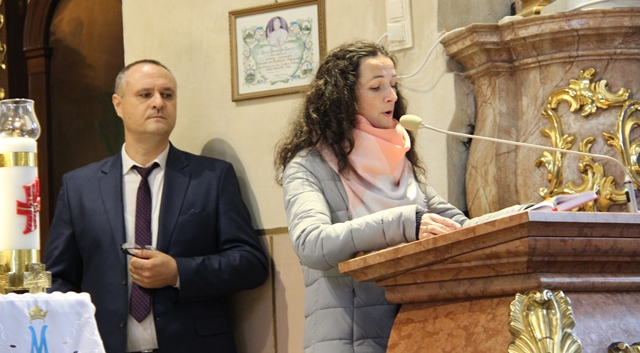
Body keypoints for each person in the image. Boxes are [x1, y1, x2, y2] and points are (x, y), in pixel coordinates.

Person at [274, 41, 530, 353]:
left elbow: (461, 230)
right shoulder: (308, 166)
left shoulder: (399, 161)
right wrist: (405, 223)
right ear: (343, 97)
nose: (392, 96)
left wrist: (528, 214)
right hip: (350, 342)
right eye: (376, 87)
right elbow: (312, 245)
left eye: (393, 84)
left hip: (416, 335)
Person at [44, 59, 269, 353]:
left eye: (167, 95)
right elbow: (58, 278)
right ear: (118, 105)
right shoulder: (80, 187)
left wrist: (178, 272)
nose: (159, 103)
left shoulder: (211, 178)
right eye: (145, 94)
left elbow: (251, 263)